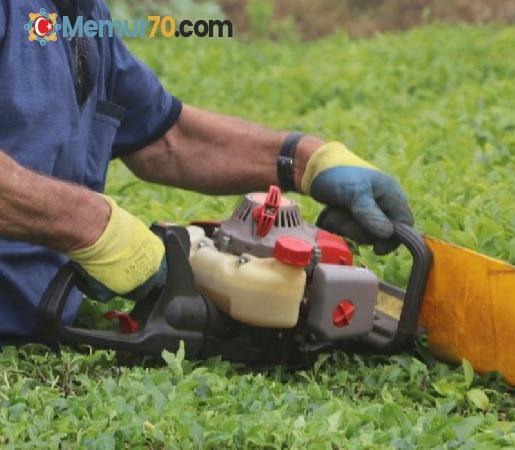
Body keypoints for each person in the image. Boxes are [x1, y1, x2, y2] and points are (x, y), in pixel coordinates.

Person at [0, 0, 413, 341]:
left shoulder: (79, 15)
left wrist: (308, 161)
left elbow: (167, 136)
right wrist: (96, 229)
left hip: (41, 315)